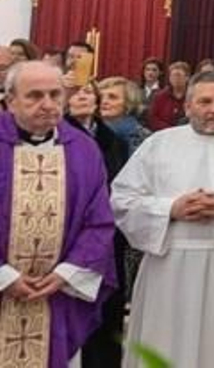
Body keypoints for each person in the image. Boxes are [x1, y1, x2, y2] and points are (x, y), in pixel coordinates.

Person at [113, 70, 214, 367]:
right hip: (168, 269)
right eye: (205, 101)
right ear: (187, 106)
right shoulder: (158, 145)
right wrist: (170, 208)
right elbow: (121, 201)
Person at [1, 61, 117, 368]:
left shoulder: (84, 149)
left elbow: (99, 221)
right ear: (10, 100)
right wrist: (5, 276)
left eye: (55, 94)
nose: (48, 105)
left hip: (55, 295)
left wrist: (66, 274)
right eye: (34, 96)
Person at [64, 80, 132, 368]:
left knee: (104, 325)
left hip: (105, 241)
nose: (83, 96)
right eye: (74, 91)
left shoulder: (114, 141)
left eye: (88, 91)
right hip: (67, 239)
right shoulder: (56, 136)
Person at [97, 78, 149, 153]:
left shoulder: (142, 137)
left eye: (112, 97)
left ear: (129, 102)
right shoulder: (90, 132)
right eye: (100, 97)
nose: (104, 101)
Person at [143, 61, 189, 132]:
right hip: (163, 134)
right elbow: (153, 118)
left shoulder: (192, 96)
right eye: (172, 75)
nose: (175, 78)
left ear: (187, 78)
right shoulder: (160, 96)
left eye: (178, 75)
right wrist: (170, 130)